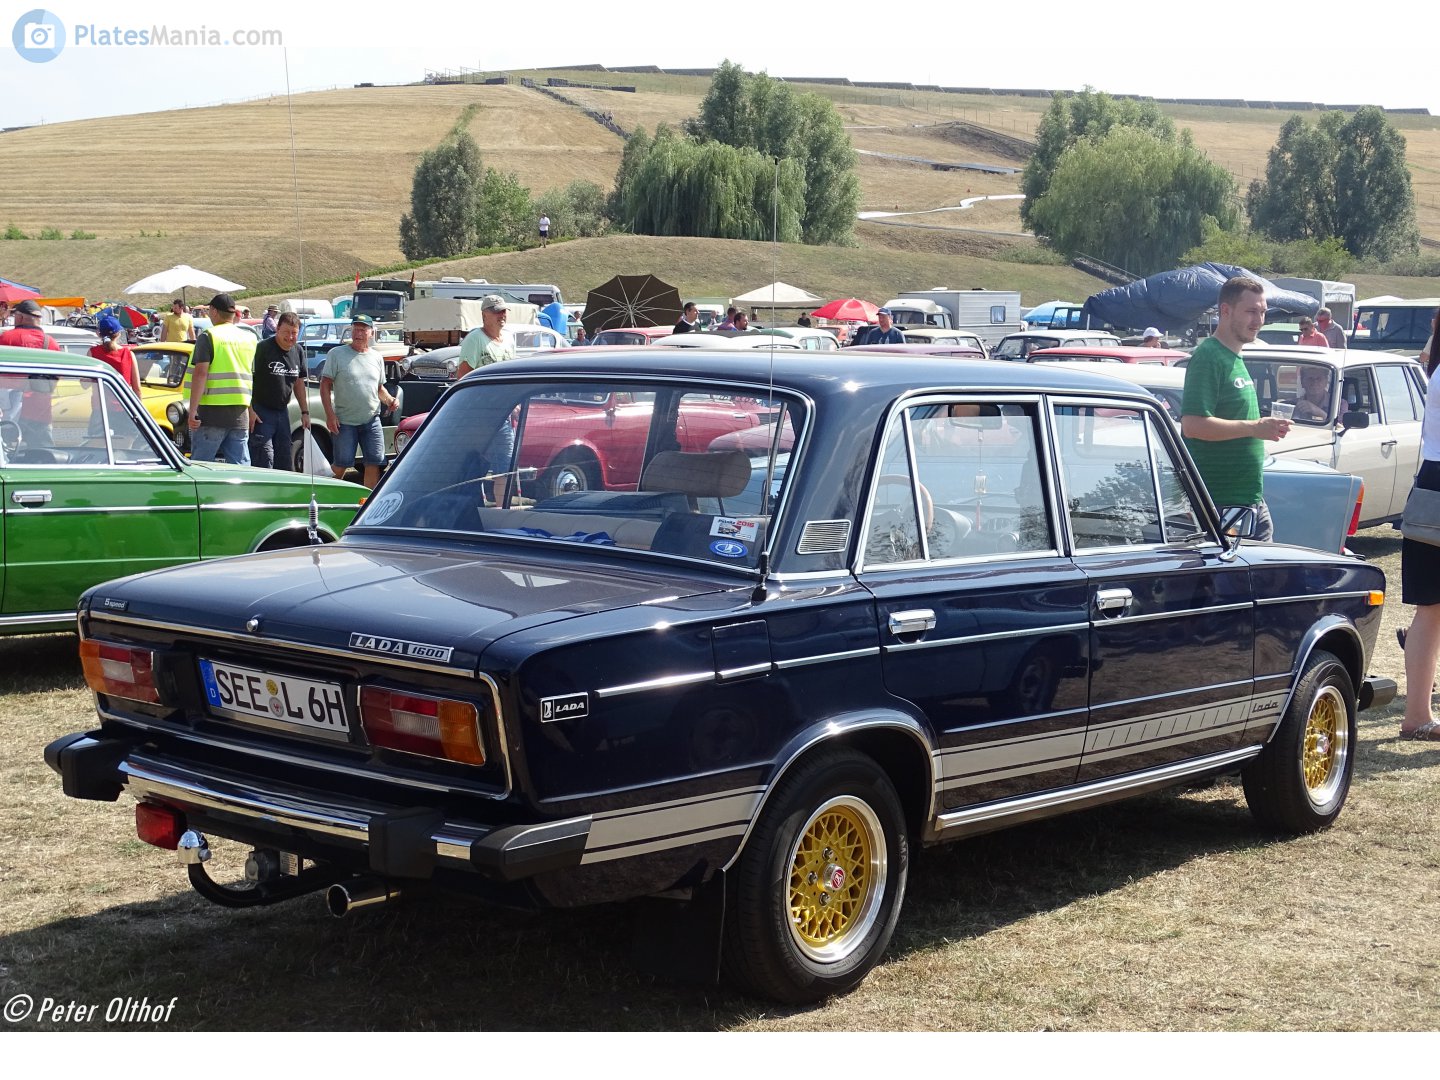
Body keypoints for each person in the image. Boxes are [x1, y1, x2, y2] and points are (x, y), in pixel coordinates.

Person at [1180, 276, 1291, 541]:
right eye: (1251, 311)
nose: (1259, 320)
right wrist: (1254, 428)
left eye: (1263, 312)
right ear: (1226, 311)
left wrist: (1264, 427)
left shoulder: (1234, 357)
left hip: (1245, 500)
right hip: (1221, 502)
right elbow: (1192, 425)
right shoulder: (1209, 356)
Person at [1399, 307, 1440, 740]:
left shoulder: (1437, 368)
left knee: (1428, 609)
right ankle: (1417, 716)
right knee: (1429, 610)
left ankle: (1417, 715)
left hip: (1430, 482)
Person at [320, 314, 395, 489]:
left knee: (374, 462)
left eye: (363, 329)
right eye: (355, 329)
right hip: (344, 421)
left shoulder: (376, 357)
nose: (358, 333)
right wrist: (330, 415)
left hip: (371, 420)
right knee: (342, 463)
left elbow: (379, 388)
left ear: (371, 333)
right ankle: (325, 495)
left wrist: (390, 400)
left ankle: (366, 503)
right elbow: (325, 385)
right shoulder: (336, 354)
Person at [184, 293, 256, 465]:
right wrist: (250, 409)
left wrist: (192, 410)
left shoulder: (209, 336)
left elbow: (201, 373)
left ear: (214, 311)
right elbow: (249, 376)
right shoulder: (249, 338)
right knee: (240, 469)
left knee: (202, 467)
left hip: (210, 414)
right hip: (239, 414)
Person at [249, 310, 308, 470]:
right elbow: (247, 380)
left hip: (283, 412)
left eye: (294, 333)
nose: (290, 337)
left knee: (284, 460)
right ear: (277, 329)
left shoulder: (298, 351)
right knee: (265, 457)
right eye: (286, 332)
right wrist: (249, 410)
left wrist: (305, 412)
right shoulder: (262, 349)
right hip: (261, 412)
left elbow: (299, 383)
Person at [457, 295, 516, 376]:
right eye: (497, 311)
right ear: (484, 315)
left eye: (504, 311)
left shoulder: (509, 338)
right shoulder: (474, 339)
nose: (502, 315)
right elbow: (462, 376)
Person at [89, 314, 142, 396]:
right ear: (119, 333)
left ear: (99, 334)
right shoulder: (128, 354)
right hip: (123, 405)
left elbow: (84, 385)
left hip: (100, 405)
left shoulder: (92, 353)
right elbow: (137, 388)